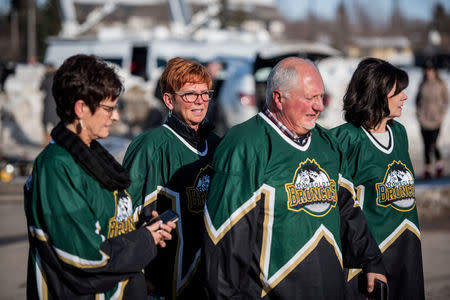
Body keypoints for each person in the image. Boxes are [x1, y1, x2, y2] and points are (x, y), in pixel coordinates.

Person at [202, 57, 386, 299]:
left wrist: (371, 260)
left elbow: (347, 209)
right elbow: (225, 236)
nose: (319, 106)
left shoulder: (327, 143)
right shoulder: (246, 144)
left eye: (321, 97)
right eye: (310, 98)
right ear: (279, 98)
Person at [24, 54, 175, 300]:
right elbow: (85, 260)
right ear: (81, 109)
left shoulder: (93, 157)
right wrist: (145, 240)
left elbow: (108, 226)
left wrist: (146, 227)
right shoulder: (56, 167)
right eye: (108, 108)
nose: (115, 117)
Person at [123, 57, 221, 299]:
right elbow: (124, 217)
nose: (199, 101)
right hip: (165, 284)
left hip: (209, 282)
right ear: (169, 100)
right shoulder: (150, 146)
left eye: (204, 94)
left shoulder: (218, 145)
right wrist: (138, 274)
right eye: (189, 94)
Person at [331, 57, 424, 299]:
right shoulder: (347, 138)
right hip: (370, 260)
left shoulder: (399, 133)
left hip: (408, 250)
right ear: (376, 94)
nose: (404, 97)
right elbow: (340, 207)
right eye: (397, 92)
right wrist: (367, 259)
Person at [416, 61, 449, 179]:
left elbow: (446, 99)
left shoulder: (440, 84)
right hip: (424, 119)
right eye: (427, 70)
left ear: (435, 71)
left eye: (431, 70)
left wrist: (441, 113)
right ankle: (427, 168)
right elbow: (417, 100)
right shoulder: (422, 84)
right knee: (425, 145)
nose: (429, 72)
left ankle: (439, 165)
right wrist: (419, 114)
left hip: (436, 119)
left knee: (433, 143)